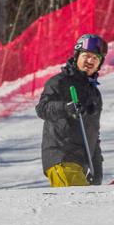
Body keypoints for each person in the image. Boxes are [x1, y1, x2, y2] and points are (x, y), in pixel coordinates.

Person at [35, 33, 107, 187]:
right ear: (77, 55)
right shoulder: (60, 82)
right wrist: (66, 108)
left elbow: (93, 133)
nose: (90, 61)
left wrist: (97, 167)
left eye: (95, 58)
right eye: (86, 55)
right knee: (83, 206)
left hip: (81, 164)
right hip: (62, 157)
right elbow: (42, 109)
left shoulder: (94, 94)